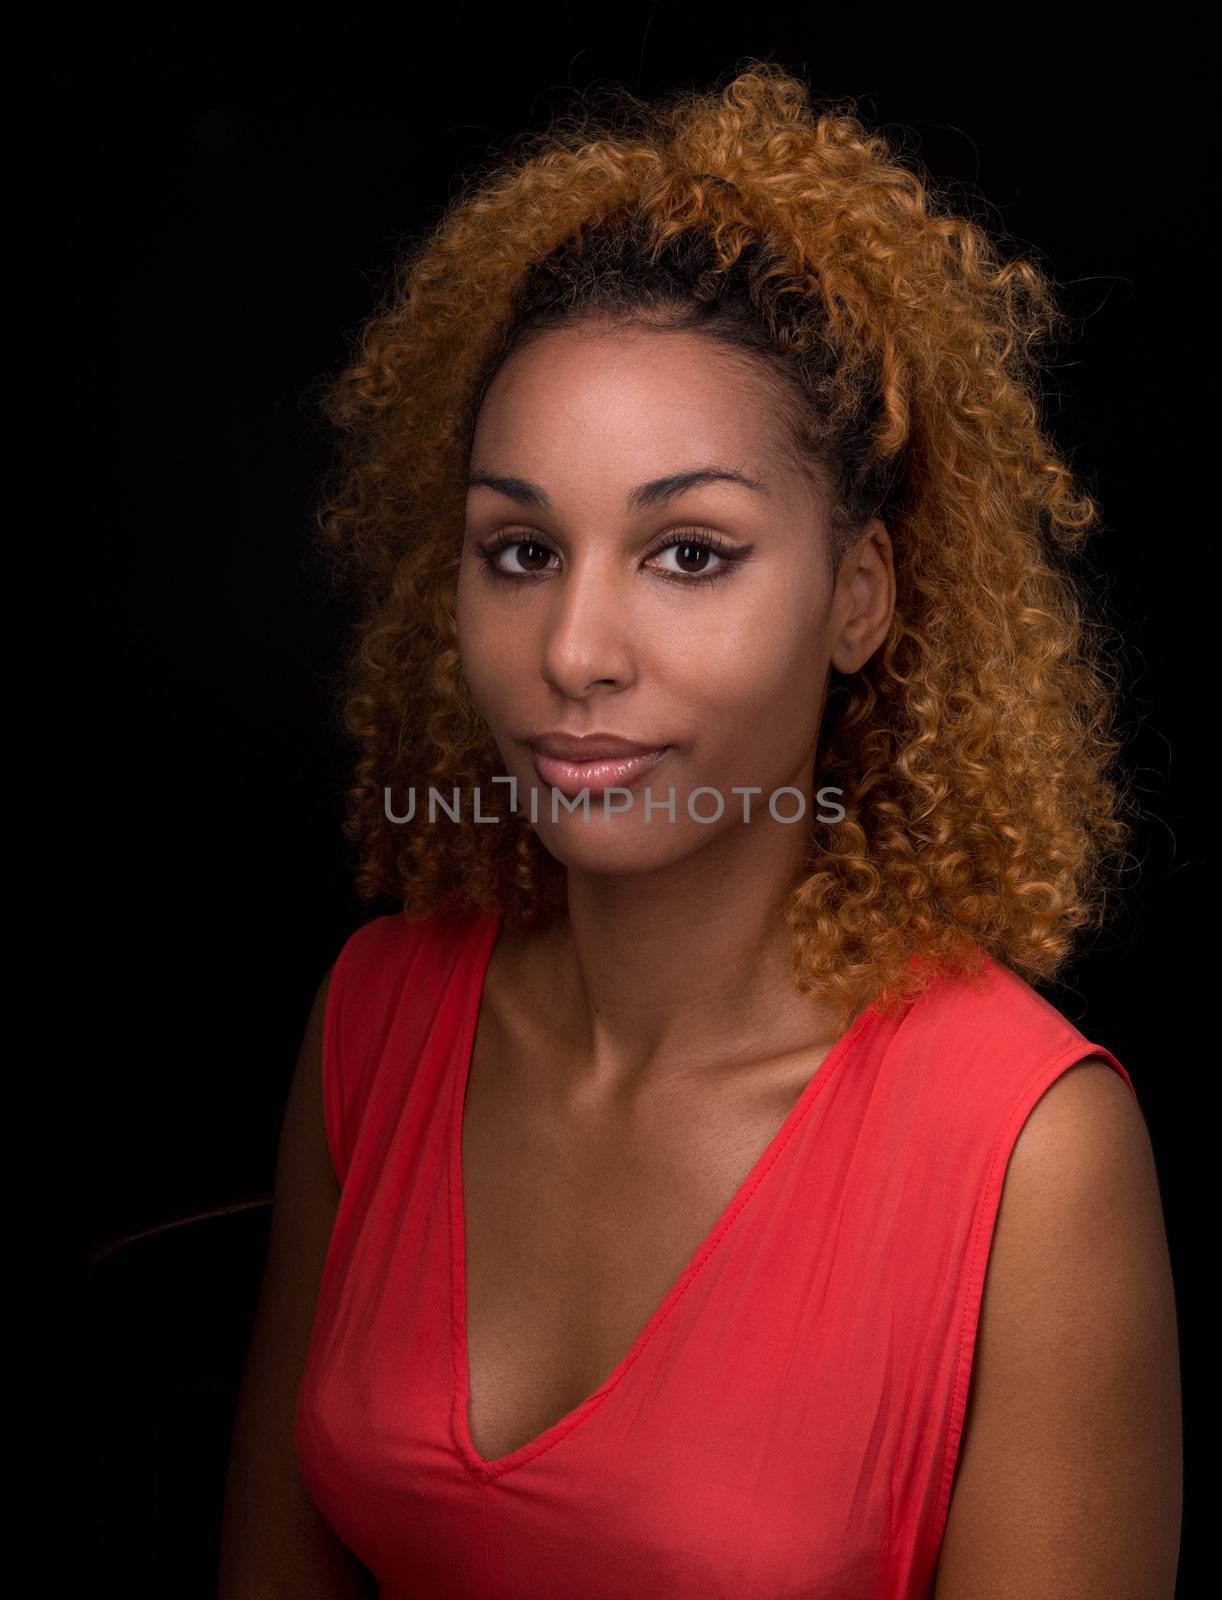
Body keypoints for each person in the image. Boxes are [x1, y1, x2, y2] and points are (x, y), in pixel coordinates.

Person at [218, 63, 1181, 1599]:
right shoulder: (376, 1016)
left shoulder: (1029, 1154)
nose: (576, 648)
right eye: (520, 548)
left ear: (858, 594)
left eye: (687, 552)